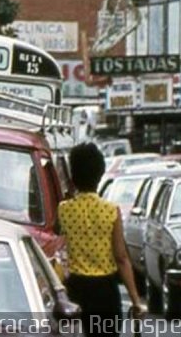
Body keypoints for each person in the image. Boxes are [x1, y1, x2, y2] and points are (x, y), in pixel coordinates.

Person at [58, 142, 144, 337]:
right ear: (100, 174)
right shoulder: (111, 211)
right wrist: (135, 300)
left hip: (76, 290)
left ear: (73, 176)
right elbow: (121, 258)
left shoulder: (64, 209)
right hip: (105, 292)